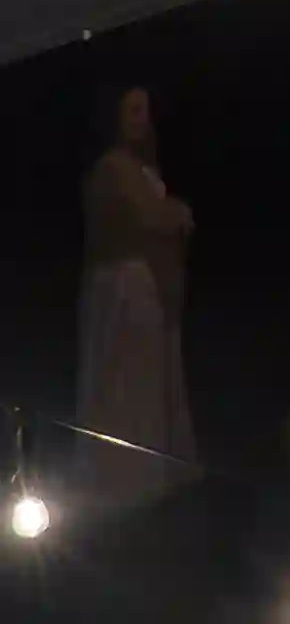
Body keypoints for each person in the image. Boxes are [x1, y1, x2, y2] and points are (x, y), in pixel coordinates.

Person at [73, 83, 196, 458]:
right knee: (124, 386)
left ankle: (150, 473)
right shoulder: (112, 166)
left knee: (147, 386)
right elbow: (149, 218)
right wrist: (176, 213)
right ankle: (123, 479)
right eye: (133, 111)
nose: (143, 120)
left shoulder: (142, 168)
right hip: (124, 286)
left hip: (147, 285)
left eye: (146, 111)